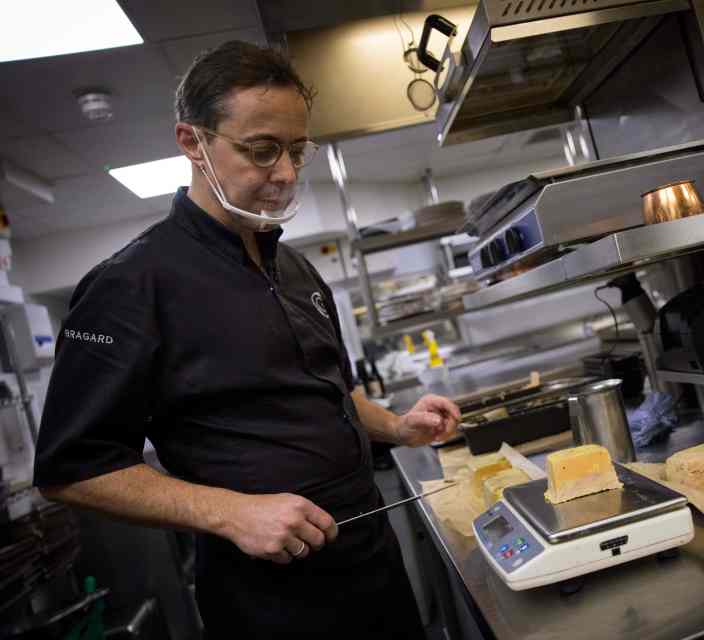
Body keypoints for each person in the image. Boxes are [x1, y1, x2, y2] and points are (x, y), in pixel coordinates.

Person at [32, 41, 460, 639]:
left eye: (295, 151)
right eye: (261, 150)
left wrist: (395, 425)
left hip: (371, 562)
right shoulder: (131, 284)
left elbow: (327, 390)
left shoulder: (297, 270)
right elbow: (70, 468)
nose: (284, 173)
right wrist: (230, 511)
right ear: (193, 142)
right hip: (270, 602)